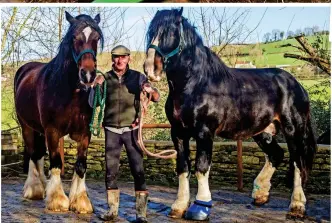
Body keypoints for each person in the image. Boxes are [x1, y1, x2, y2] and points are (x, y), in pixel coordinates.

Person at [90, 45, 160, 222]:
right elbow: (93, 104)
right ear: (112, 59)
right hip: (112, 131)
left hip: (132, 130)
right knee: (110, 171)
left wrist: (149, 90)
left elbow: (157, 97)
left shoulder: (138, 77)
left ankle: (141, 213)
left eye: (123, 57)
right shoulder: (105, 78)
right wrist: (95, 87)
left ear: (129, 58)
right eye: (116, 57)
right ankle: (112, 211)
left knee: (138, 170)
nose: (119, 60)